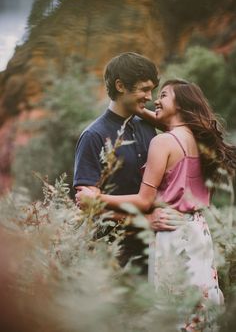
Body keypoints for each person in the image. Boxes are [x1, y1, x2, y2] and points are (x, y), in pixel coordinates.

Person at [77, 79, 236, 328]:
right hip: (198, 231)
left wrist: (95, 198)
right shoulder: (196, 137)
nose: (155, 100)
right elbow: (166, 120)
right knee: (200, 303)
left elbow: (143, 200)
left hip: (171, 231)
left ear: (181, 104)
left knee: (172, 311)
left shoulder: (162, 142)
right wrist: (138, 109)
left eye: (162, 95)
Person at [73, 52, 180, 273]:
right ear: (120, 86)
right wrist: (144, 221)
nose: (149, 97)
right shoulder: (93, 136)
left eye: (152, 90)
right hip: (114, 255)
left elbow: (184, 132)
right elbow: (88, 207)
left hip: (157, 247)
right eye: (144, 89)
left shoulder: (146, 125)